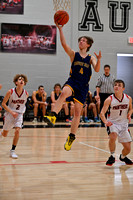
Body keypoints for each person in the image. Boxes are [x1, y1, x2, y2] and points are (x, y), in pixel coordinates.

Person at [44, 23, 101, 151]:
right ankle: (53, 115)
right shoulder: (73, 54)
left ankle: (71, 137)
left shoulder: (91, 58)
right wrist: (60, 29)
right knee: (64, 92)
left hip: (83, 87)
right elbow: (64, 45)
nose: (81, 41)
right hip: (73, 81)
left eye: (84, 40)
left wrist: (99, 59)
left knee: (77, 113)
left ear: (88, 45)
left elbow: (97, 69)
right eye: (80, 40)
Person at [100, 79, 133, 166]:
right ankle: (111, 156)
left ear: (123, 88)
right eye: (115, 85)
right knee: (113, 136)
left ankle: (122, 157)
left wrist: (129, 114)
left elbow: (131, 109)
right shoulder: (109, 99)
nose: (116, 86)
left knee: (128, 148)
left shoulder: (128, 98)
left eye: (119, 85)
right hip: (112, 123)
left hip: (124, 124)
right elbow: (102, 113)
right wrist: (106, 122)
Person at [0, 74, 28, 159]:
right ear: (16, 82)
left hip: (19, 114)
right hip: (10, 114)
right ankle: (1, 133)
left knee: (17, 131)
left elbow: (23, 105)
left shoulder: (26, 93)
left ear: (24, 83)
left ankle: (12, 151)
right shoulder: (10, 91)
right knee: (5, 134)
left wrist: (21, 113)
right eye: (19, 79)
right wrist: (12, 112)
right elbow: (3, 104)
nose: (21, 80)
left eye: (23, 79)